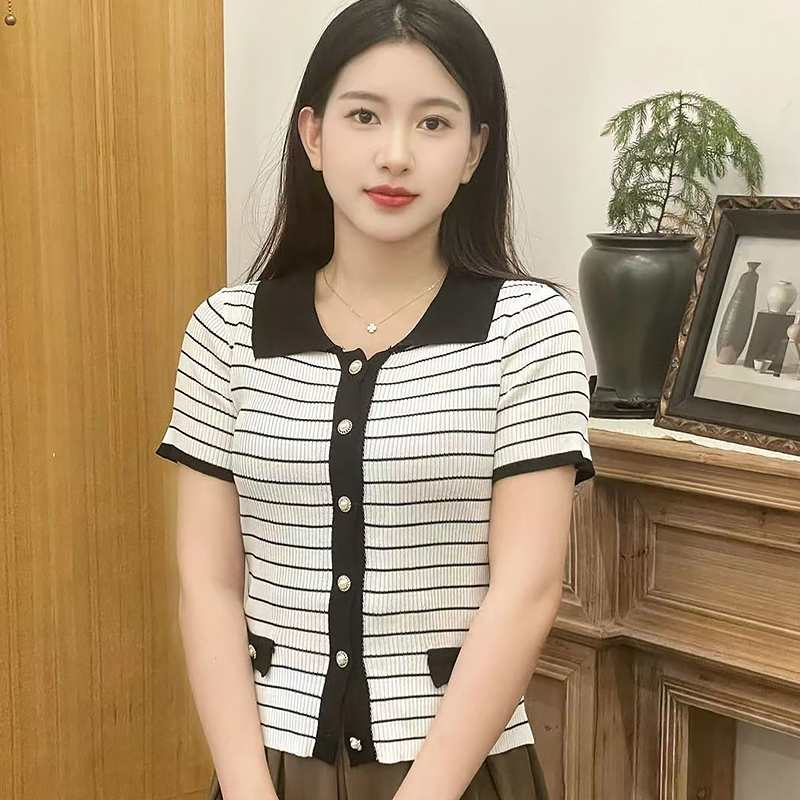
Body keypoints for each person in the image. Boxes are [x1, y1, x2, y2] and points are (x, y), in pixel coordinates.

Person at [155, 1, 595, 798]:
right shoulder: (226, 330)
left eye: (434, 123)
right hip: (271, 768)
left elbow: (526, 591)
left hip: (458, 771)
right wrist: (248, 788)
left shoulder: (530, 328)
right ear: (314, 135)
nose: (396, 154)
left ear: (474, 151)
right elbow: (208, 585)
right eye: (364, 116)